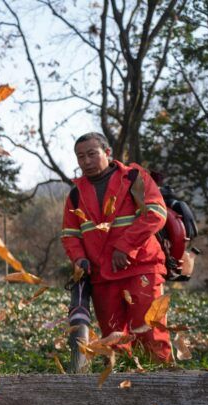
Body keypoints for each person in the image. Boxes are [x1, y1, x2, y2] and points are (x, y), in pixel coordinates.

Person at [61, 132, 172, 364]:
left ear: (108, 153)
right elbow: (70, 235)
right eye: (81, 157)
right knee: (114, 342)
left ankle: (163, 385)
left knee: (150, 333)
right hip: (102, 277)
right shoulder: (75, 194)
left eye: (92, 154)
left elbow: (156, 214)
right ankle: (120, 391)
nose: (86, 162)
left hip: (141, 268)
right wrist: (79, 259)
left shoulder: (134, 177)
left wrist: (125, 246)